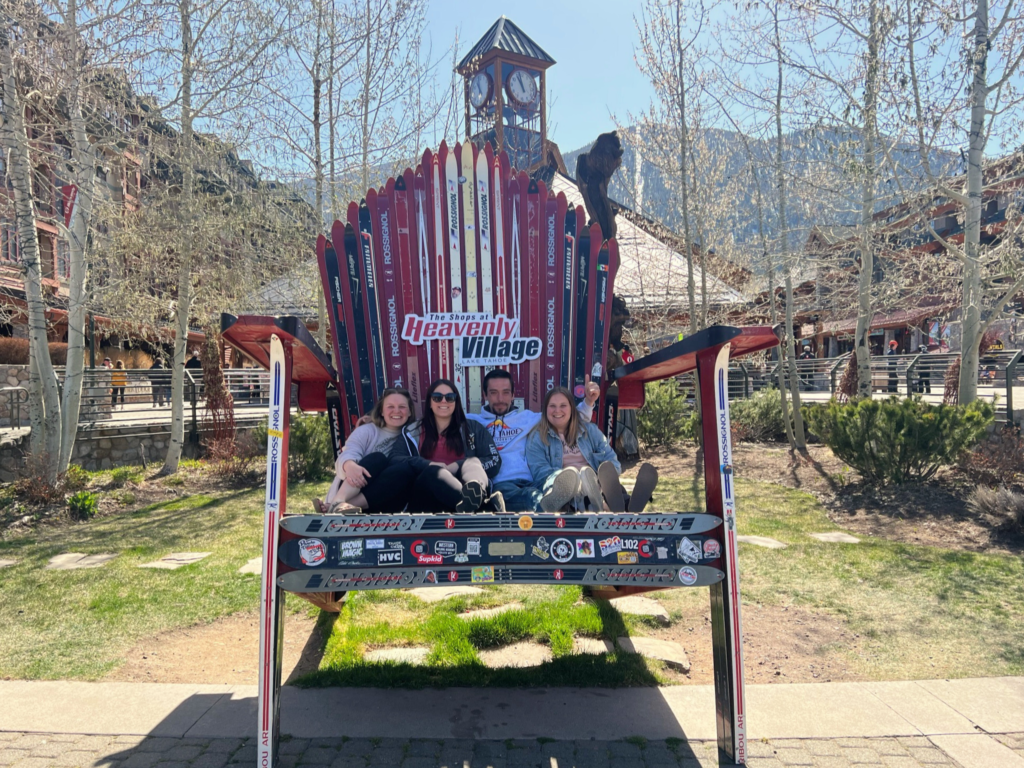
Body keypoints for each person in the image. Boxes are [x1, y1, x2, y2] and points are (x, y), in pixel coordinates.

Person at [468, 369, 599, 511]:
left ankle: (571, 494)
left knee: (556, 476)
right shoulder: (473, 421)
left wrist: (588, 401)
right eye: (494, 393)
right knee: (531, 496)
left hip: (531, 480)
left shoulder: (527, 418)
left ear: (513, 395)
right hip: (501, 485)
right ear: (485, 395)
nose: (500, 399)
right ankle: (552, 505)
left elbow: (565, 416)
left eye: (506, 392)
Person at [526, 387, 658, 513]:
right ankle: (612, 508)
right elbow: (540, 473)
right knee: (567, 495)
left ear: (572, 408)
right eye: (552, 406)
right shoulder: (537, 437)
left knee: (609, 486)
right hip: (565, 490)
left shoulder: (590, 431)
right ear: (545, 409)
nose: (557, 410)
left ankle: (626, 506)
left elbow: (612, 461)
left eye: (563, 405)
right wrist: (576, 483)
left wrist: (599, 480)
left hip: (595, 484)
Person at [391, 379, 502, 513]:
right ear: (430, 403)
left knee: (473, 462)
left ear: (456, 402)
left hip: (463, 484)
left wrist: (459, 465)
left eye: (450, 398)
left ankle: (473, 499)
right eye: (437, 398)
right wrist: (428, 465)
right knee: (433, 472)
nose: (444, 401)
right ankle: (483, 507)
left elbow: (494, 460)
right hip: (426, 498)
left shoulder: (473, 428)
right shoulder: (412, 431)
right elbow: (394, 459)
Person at [315, 388, 419, 514]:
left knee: (404, 470)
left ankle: (336, 507)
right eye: (390, 406)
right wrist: (349, 465)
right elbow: (349, 452)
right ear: (381, 411)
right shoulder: (367, 431)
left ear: (409, 412)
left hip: (384, 501)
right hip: (354, 488)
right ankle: (339, 501)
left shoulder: (415, 436)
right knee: (377, 458)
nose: (396, 411)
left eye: (402, 406)